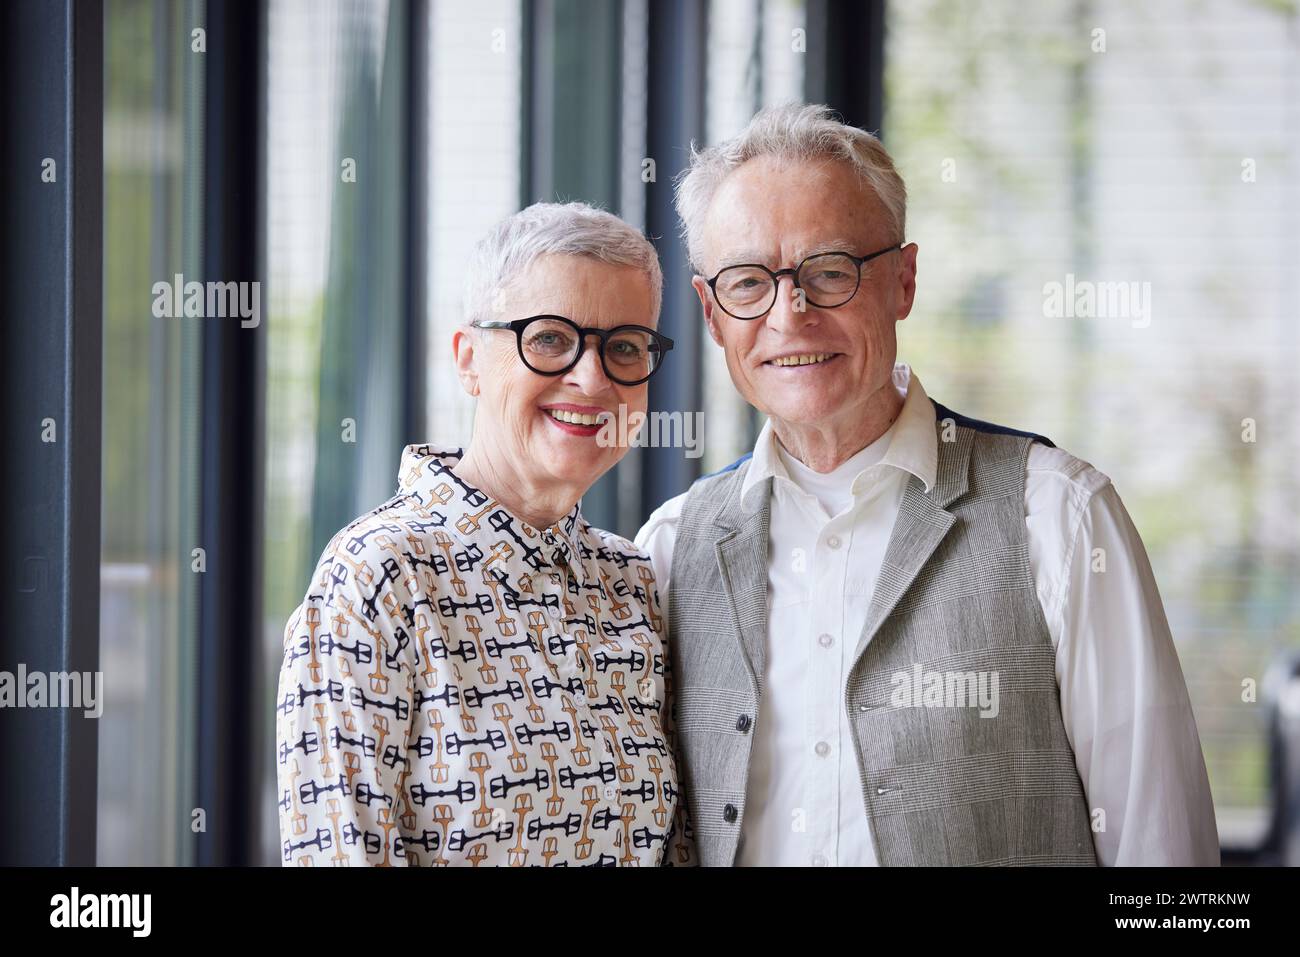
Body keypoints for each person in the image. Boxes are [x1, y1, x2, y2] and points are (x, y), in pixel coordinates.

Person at [635, 103, 1219, 866]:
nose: (792, 313)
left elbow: (1163, 855)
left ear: (903, 281)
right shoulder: (669, 551)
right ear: (713, 315)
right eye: (749, 282)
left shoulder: (1061, 517)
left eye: (830, 271)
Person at [276, 201, 693, 866]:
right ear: (468, 358)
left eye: (623, 347)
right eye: (551, 338)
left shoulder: (632, 582)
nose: (591, 379)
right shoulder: (378, 576)